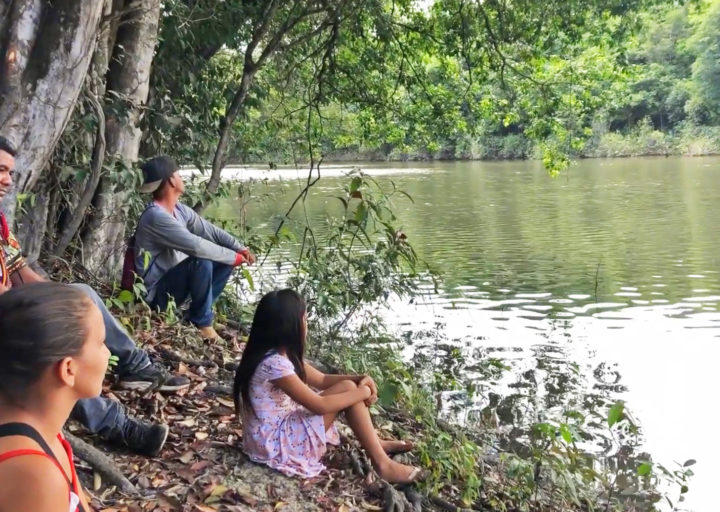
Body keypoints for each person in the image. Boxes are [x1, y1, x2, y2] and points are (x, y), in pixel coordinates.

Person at [0, 135, 187, 456]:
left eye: (10, 173)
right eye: (1, 170)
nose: (7, 180)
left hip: (9, 310)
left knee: (80, 293)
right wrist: (46, 312)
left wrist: (58, 296)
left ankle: (136, 366)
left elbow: (19, 272)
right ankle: (116, 426)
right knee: (50, 340)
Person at [233, 289, 426, 483]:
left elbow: (323, 379)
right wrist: (364, 391)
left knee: (349, 386)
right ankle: (383, 465)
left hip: (271, 433)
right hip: (274, 443)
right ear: (291, 327)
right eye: (305, 320)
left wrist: (360, 378)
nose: (307, 325)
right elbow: (319, 405)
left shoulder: (277, 354)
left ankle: (376, 444)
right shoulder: (273, 364)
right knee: (349, 389)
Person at [0, 283, 111, 512]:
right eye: (100, 343)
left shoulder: (45, 431)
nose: (107, 352)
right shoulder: (34, 473)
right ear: (68, 369)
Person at [133, 155, 255, 341]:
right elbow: (196, 246)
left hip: (172, 289)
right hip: (155, 297)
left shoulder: (179, 210)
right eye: (179, 175)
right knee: (201, 260)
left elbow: (210, 232)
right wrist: (233, 256)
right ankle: (203, 323)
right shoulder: (156, 217)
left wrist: (239, 249)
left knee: (224, 261)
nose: (181, 178)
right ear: (172, 181)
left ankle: (200, 313)